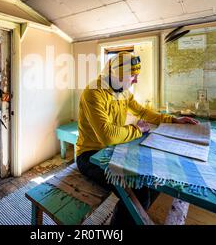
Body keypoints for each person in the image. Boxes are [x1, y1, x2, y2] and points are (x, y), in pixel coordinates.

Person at [76, 51, 198, 225]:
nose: (136, 80)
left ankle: (128, 216)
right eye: (133, 75)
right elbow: (108, 135)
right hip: (89, 156)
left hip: (112, 149)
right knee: (138, 191)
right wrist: (136, 130)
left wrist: (172, 119)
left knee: (150, 178)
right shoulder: (94, 93)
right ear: (119, 75)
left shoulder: (122, 92)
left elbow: (142, 111)